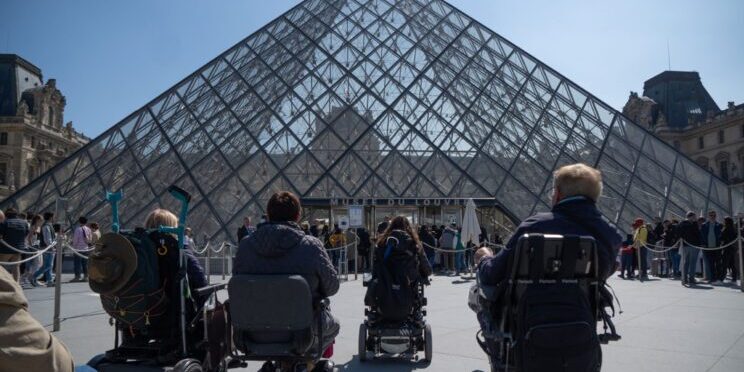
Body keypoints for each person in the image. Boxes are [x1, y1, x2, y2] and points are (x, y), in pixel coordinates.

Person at [233, 191, 339, 368]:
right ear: (297, 216)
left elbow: (238, 284)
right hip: (302, 333)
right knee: (334, 325)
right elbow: (332, 287)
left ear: (269, 214)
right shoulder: (311, 246)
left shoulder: (245, 246)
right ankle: (308, 365)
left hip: (251, 333)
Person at [477, 163, 622, 287]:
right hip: (583, 312)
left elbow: (493, 274)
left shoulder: (534, 226)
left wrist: (484, 258)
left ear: (558, 194)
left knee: (479, 291)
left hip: (529, 313)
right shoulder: (610, 235)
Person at [0, 266, 75, 371]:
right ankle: (39, 278)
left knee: (46, 265)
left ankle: (35, 278)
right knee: (46, 265)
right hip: (56, 358)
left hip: (50, 361)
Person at [144, 209, 208, 291]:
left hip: (143, 300)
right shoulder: (180, 252)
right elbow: (201, 281)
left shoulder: (140, 250)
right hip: (173, 300)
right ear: (172, 228)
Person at [0, 208, 30, 282]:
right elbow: (26, 233)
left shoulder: (5, 223)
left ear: (6, 215)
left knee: (1, 267)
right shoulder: (24, 223)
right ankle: (16, 284)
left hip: (5, 249)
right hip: (18, 248)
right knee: (16, 267)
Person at [677, 211, 703, 286]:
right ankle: (691, 278)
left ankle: (684, 278)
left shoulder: (681, 224)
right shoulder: (693, 224)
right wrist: (695, 224)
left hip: (685, 245)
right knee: (693, 263)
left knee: (686, 262)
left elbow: (678, 233)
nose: (695, 218)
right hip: (693, 245)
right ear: (691, 217)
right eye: (694, 217)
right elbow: (697, 233)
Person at [33, 212, 56, 287]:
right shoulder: (46, 226)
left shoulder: (47, 225)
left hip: (47, 247)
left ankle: (49, 281)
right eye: (53, 217)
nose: (54, 218)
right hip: (47, 248)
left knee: (49, 265)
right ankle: (33, 276)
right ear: (50, 217)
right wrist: (51, 246)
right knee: (48, 265)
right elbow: (47, 238)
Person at [700, 210, 722, 283]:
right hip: (708, 247)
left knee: (718, 263)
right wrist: (703, 244)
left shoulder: (719, 225)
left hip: (717, 247)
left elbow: (721, 236)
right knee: (711, 263)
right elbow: (702, 236)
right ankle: (713, 278)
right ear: (708, 216)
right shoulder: (704, 225)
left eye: (714, 215)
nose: (713, 217)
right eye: (711, 215)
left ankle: (719, 278)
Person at [71, 216, 92, 282]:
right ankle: (86, 276)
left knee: (77, 263)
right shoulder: (88, 229)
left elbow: (75, 240)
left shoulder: (78, 229)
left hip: (78, 249)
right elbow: (90, 240)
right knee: (85, 263)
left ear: (79, 221)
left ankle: (77, 277)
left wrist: (73, 247)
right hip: (86, 248)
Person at [720, 216, 738, 283]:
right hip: (732, 248)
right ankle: (734, 277)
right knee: (732, 263)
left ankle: (721, 278)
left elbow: (722, 237)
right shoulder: (733, 229)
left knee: (724, 264)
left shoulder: (726, 229)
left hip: (727, 248)